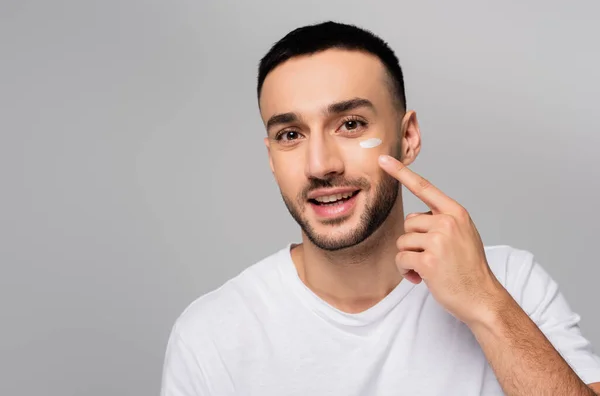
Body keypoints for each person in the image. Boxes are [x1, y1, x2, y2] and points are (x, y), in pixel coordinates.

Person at [160, 21, 600, 395]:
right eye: (290, 135)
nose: (321, 166)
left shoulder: (510, 284)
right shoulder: (213, 334)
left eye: (350, 125)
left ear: (407, 138)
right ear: (271, 157)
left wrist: (486, 304)